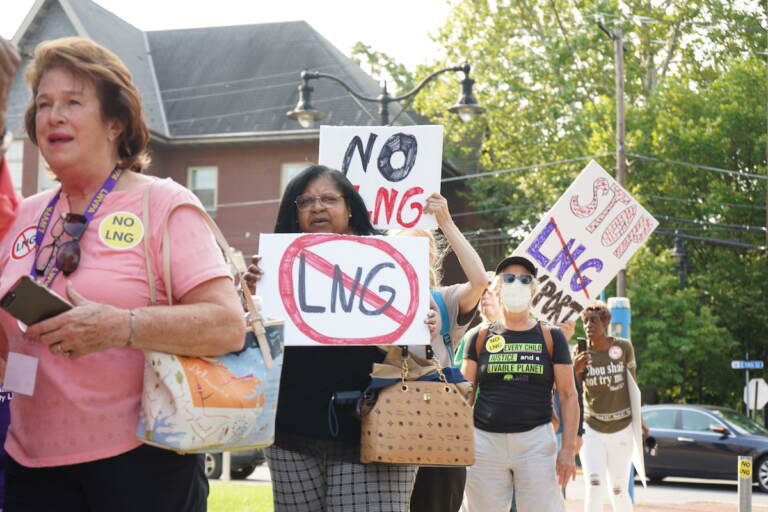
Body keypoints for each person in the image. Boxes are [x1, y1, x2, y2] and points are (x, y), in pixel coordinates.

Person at [0, 37, 246, 511]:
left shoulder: (164, 203)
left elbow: (227, 326)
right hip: (30, 467)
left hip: (142, 464)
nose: (53, 115)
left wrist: (122, 327)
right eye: (44, 104)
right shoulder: (19, 215)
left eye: (73, 102)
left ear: (115, 122)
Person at [245, 164, 438, 512]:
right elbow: (249, 344)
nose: (317, 207)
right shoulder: (271, 270)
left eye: (329, 199)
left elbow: (412, 352)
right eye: (305, 201)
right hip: (292, 432)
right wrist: (248, 296)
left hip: (377, 427)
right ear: (295, 212)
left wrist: (425, 324)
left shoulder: (390, 264)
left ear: (350, 207)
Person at [461, 255, 579, 512]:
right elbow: (463, 396)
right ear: (497, 288)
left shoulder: (552, 337)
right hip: (484, 443)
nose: (517, 284)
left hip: (535, 442)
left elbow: (569, 395)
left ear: (534, 289)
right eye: (509, 278)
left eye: (525, 279)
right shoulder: (479, 337)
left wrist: (568, 449)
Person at [394, 196, 487, 512]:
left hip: (440, 429)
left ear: (431, 256)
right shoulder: (371, 305)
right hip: (391, 424)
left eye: (416, 252)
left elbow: (480, 281)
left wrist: (445, 221)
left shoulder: (445, 301)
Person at [574, 301, 646, 512]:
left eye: (594, 321)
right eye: (585, 321)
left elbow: (634, 386)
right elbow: (572, 392)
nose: (589, 325)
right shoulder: (581, 354)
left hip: (621, 428)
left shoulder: (623, 348)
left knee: (618, 489)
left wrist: (640, 420)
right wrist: (576, 370)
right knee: (594, 485)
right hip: (592, 428)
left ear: (605, 323)